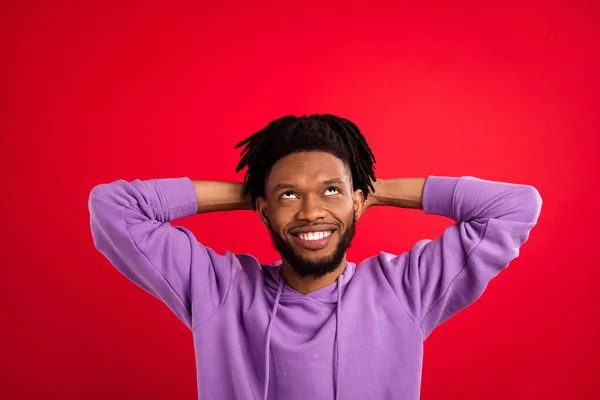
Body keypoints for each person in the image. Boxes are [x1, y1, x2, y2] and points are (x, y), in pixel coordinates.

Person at [88, 114, 542, 400]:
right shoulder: (219, 290)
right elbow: (113, 209)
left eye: (330, 191)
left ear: (359, 201)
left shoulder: (404, 290)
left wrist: (367, 188)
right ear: (262, 208)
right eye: (290, 196)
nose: (311, 213)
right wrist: (256, 192)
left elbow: (514, 206)